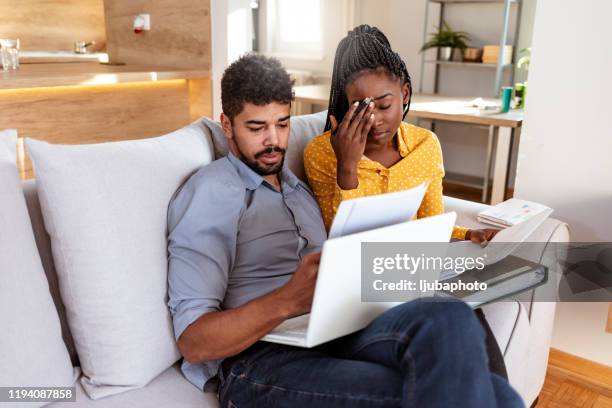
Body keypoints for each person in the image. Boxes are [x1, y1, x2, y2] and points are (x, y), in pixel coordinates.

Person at [166, 53, 523, 407]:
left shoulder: (298, 189)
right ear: (226, 125)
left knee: (450, 313)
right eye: (257, 128)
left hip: (335, 331)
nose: (274, 141)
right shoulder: (211, 193)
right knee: (494, 397)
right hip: (260, 361)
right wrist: (289, 299)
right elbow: (195, 342)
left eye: (283, 124)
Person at [303, 24, 507, 379]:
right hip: (357, 286)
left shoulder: (426, 145)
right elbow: (337, 239)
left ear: (405, 92)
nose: (375, 120)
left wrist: (464, 235)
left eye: (384, 105)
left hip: (412, 273)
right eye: (360, 108)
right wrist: (347, 165)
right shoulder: (322, 153)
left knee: (465, 317)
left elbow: (429, 222)